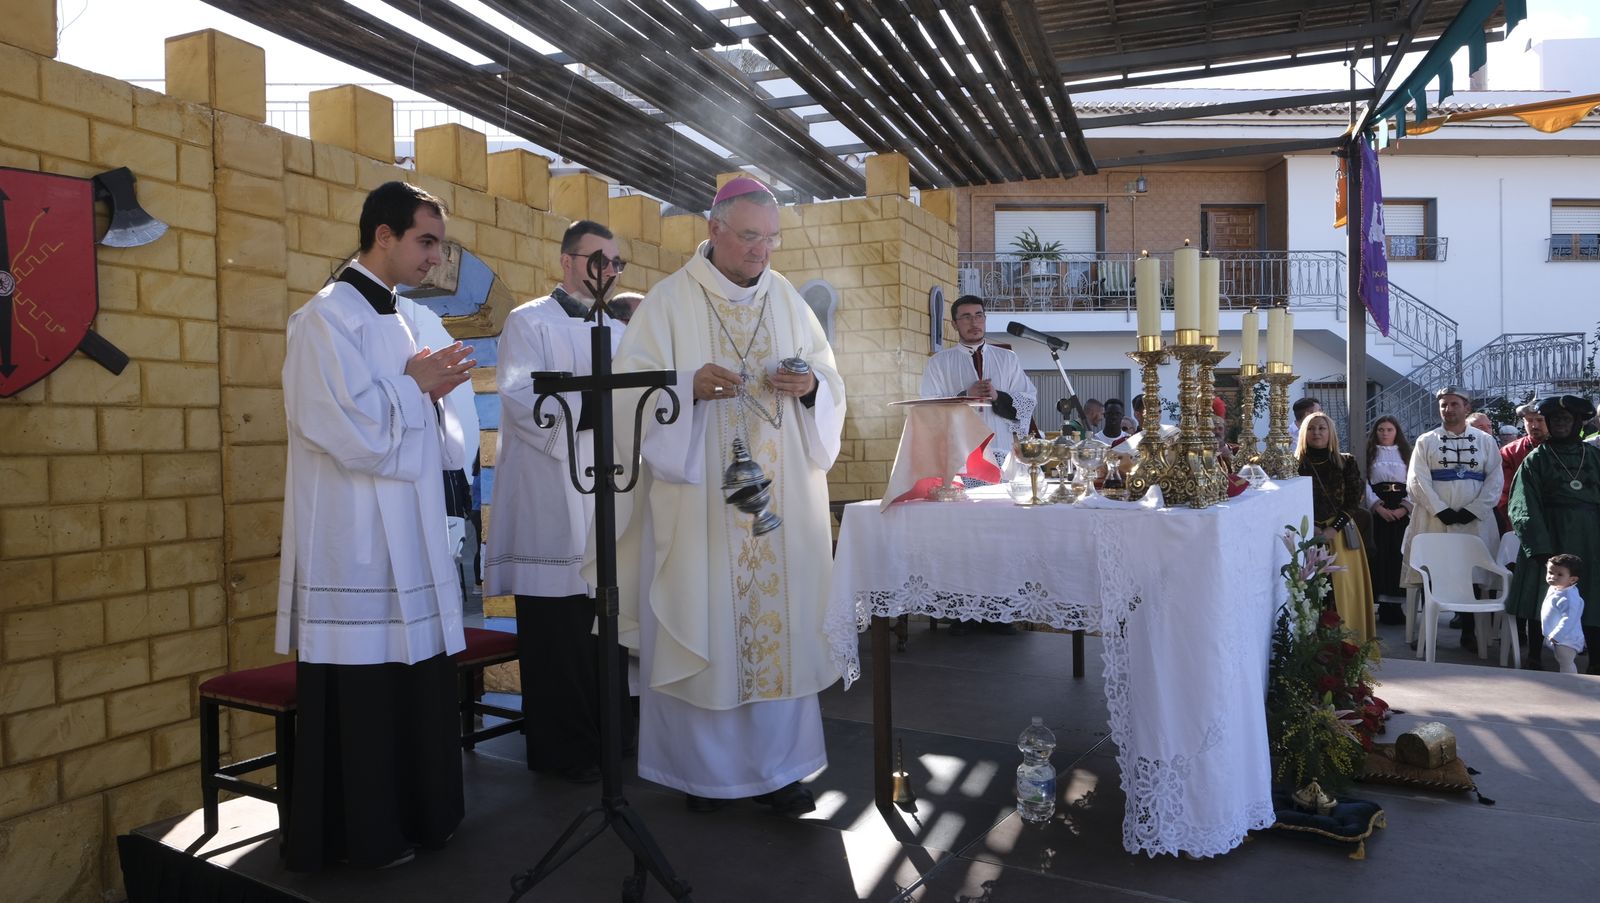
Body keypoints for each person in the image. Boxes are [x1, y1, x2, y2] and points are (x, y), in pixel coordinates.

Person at [608, 176, 845, 815]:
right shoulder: (668, 302)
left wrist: (811, 387)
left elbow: (830, 378)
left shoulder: (789, 299)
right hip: (701, 510)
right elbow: (629, 393)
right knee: (705, 618)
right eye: (749, 237)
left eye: (771, 239)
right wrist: (685, 386)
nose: (761, 252)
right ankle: (702, 778)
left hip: (779, 509)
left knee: (781, 628)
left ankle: (781, 771)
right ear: (713, 230)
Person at [277, 181, 472, 870]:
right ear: (382, 236)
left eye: (439, 245)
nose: (434, 258)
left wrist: (434, 393)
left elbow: (456, 444)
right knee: (362, 688)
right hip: (352, 542)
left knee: (415, 679)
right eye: (425, 241)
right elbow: (346, 430)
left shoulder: (417, 323)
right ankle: (362, 834)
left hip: (412, 533)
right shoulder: (325, 320)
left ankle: (426, 815)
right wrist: (414, 386)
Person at [486, 219, 633, 783]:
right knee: (558, 631)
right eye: (599, 260)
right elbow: (523, 399)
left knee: (606, 623)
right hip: (550, 493)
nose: (609, 272)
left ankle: (611, 740)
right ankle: (563, 750)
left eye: (616, 263)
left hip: (606, 493)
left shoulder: (617, 332)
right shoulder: (528, 322)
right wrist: (605, 414)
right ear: (568, 262)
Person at [1504, 395, 1600, 672]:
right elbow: (1523, 504)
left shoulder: (1594, 456)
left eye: (1565, 419)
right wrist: (1540, 547)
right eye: (1554, 419)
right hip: (1549, 534)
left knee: (1592, 594)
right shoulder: (1536, 459)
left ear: (1578, 423)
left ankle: (1595, 660)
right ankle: (1535, 655)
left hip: (1590, 537)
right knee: (1541, 596)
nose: (1559, 424)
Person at [1403, 386, 1503, 650]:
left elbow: (1495, 479)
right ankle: (1428, 629)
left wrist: (1475, 509)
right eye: (1444, 405)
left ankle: (1469, 631)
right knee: (1431, 571)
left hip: (1474, 521)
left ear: (1466, 407)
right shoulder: (1426, 440)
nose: (1448, 409)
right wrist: (1439, 509)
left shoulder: (1485, 441)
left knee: (1471, 570)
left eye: (1454, 404)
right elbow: (1417, 479)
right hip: (1434, 519)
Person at [919, 294, 1037, 474]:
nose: (974, 322)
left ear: (985, 319)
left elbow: (1027, 401)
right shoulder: (938, 362)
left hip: (1001, 450)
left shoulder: (1007, 359)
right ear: (954, 324)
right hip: (960, 455)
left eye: (978, 315)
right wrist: (964, 396)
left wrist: (998, 397)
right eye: (966, 317)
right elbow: (928, 409)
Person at [1297, 411, 1377, 644]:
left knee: (1343, 592)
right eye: (1312, 429)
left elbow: (1353, 501)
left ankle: (1348, 644)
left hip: (1339, 534)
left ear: (1330, 431)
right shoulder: (1294, 464)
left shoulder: (1346, 462)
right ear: (1304, 433)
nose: (1317, 433)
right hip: (1306, 534)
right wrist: (1311, 527)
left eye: (1322, 428)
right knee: (1309, 591)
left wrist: (1333, 530)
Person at [1363, 415, 1413, 625]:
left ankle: (1397, 605)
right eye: (1381, 429)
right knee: (1381, 555)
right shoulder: (1369, 454)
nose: (1385, 433)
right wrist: (1376, 506)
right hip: (1380, 508)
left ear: (1396, 432)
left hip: (1401, 507)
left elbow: (1415, 480)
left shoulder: (1407, 454)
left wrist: (1405, 507)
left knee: (1398, 555)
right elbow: (1364, 481)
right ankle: (1383, 605)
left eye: (1389, 429)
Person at [1496, 399, 1547, 535]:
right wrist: (1518, 520)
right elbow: (1503, 494)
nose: (1534, 425)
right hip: (1521, 524)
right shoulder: (1510, 452)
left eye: (1540, 420)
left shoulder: (1567, 448)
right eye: (1529, 421)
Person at [1538, 554, 1587, 674]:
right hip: (1559, 638)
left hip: (1567, 639)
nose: (1552, 577)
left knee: (1566, 662)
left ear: (1572, 579)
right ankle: (1566, 681)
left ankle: (1570, 683)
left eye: (1559, 574)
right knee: (1561, 659)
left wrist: (1556, 635)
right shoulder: (1557, 588)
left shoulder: (1569, 597)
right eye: (1550, 572)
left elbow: (1569, 619)